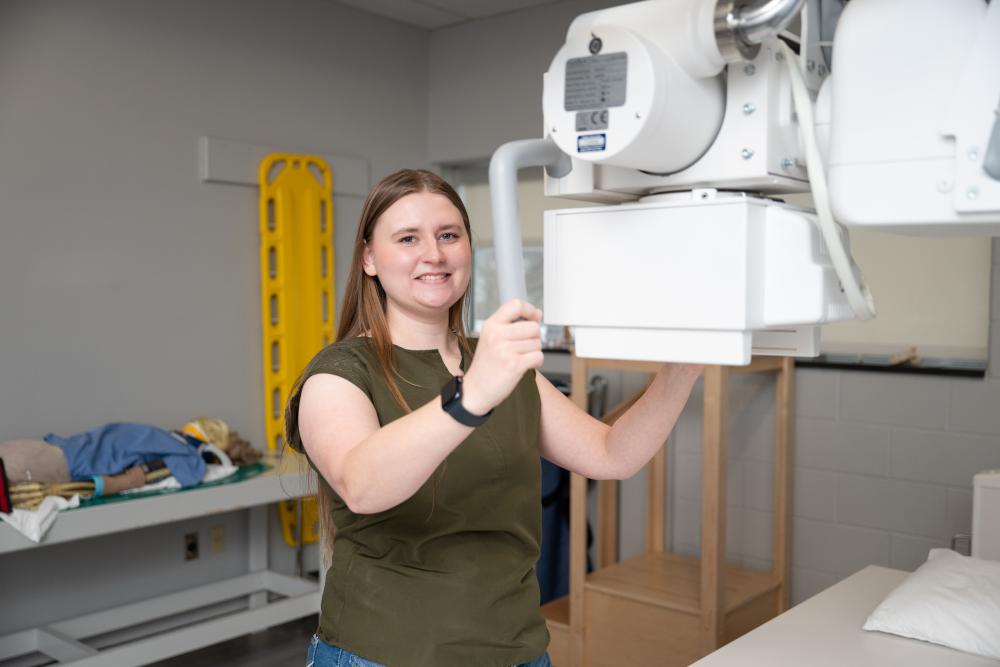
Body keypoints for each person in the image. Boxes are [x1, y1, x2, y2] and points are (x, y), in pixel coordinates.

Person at [285, 169, 702, 667]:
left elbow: (612, 454)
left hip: (518, 650)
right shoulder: (340, 373)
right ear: (370, 259)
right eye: (407, 238)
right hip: (388, 654)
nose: (433, 254)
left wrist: (686, 365)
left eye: (448, 235)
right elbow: (363, 485)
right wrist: (473, 394)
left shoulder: (501, 363)